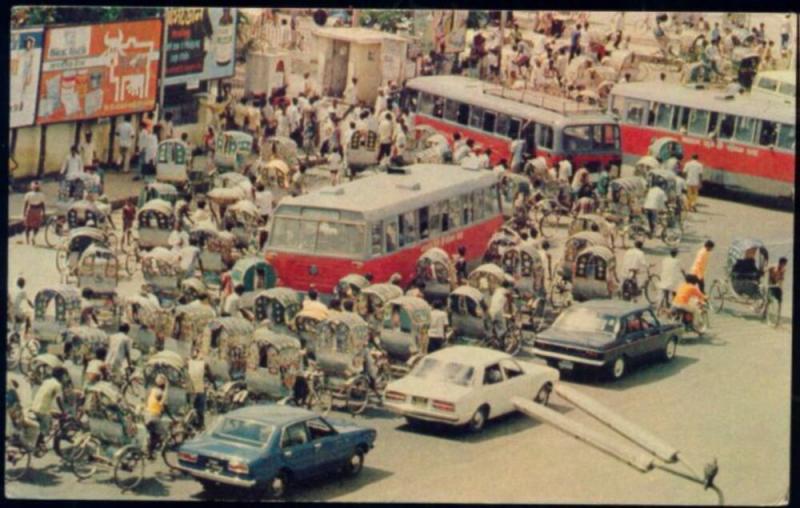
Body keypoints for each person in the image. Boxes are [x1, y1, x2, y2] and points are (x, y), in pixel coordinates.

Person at [30, 366, 68, 454]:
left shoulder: (47, 381)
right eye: (64, 375)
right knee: (45, 428)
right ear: (61, 376)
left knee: (47, 418)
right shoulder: (58, 385)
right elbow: (59, 399)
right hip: (42, 410)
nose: (65, 377)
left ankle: (39, 441)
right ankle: (38, 444)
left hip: (34, 406)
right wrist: (63, 410)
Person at [145, 373, 172, 460]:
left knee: (153, 434)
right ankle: (150, 451)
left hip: (146, 415)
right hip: (154, 417)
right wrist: (173, 418)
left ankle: (150, 451)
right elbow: (165, 407)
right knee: (164, 434)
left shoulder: (152, 390)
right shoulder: (161, 394)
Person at [187, 348, 214, 429]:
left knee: (191, 407)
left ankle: (196, 424)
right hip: (197, 389)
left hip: (191, 389)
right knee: (199, 409)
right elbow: (211, 377)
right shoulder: (204, 364)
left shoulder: (189, 363)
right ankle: (200, 425)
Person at [21, 181, 46, 245]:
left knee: (28, 226)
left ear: (32, 188)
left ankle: (27, 240)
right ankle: (33, 237)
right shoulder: (42, 195)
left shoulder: (28, 194)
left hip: (30, 210)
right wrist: (44, 213)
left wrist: (23, 213)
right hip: (38, 211)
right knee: (36, 226)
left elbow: (25, 205)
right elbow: (43, 205)